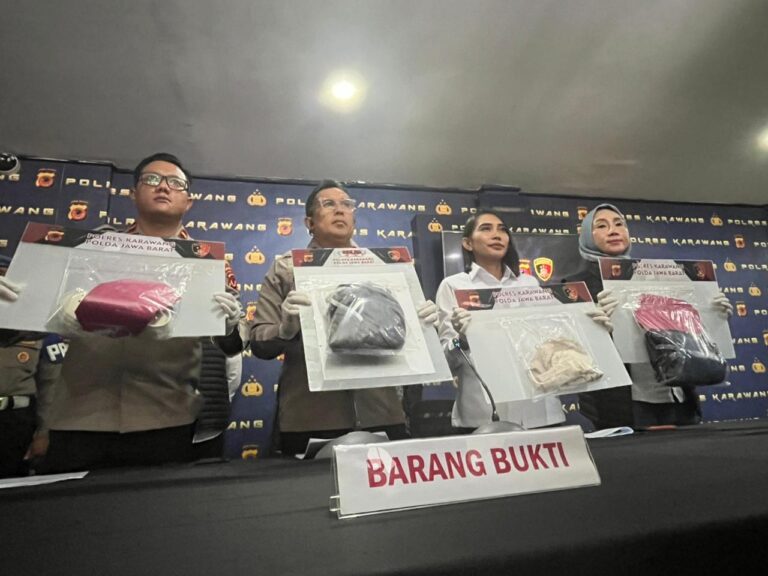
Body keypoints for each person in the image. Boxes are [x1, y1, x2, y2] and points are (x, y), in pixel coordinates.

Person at [0, 153, 245, 472]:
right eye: (152, 179)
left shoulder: (209, 264)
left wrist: (230, 326)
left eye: (175, 183)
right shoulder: (88, 250)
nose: (163, 187)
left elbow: (231, 346)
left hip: (167, 417)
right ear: (133, 193)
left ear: (188, 201)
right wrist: (11, 308)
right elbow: (23, 328)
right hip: (79, 417)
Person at [249, 180, 438, 455]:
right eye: (328, 204)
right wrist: (284, 330)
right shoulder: (286, 269)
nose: (340, 210)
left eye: (347, 205)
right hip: (311, 415)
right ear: (310, 222)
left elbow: (407, 339)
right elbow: (258, 342)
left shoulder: (384, 268)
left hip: (382, 411)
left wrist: (422, 326)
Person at [435, 209, 612, 432]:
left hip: (540, 409)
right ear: (468, 243)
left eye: (502, 230)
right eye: (486, 229)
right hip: (482, 413)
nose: (497, 235)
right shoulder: (453, 286)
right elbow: (446, 361)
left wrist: (592, 325)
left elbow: (553, 339)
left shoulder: (528, 284)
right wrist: (462, 340)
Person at [572, 203, 733, 428]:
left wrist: (712, 317)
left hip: (678, 396)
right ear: (587, 236)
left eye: (619, 224)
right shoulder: (577, 287)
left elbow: (681, 333)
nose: (613, 230)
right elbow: (574, 354)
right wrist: (594, 329)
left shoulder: (656, 276)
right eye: (601, 226)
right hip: (624, 405)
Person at [0, 255, 65, 477]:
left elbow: (50, 387)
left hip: (15, 421)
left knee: (13, 488)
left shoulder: (39, 329)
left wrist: (43, 434)